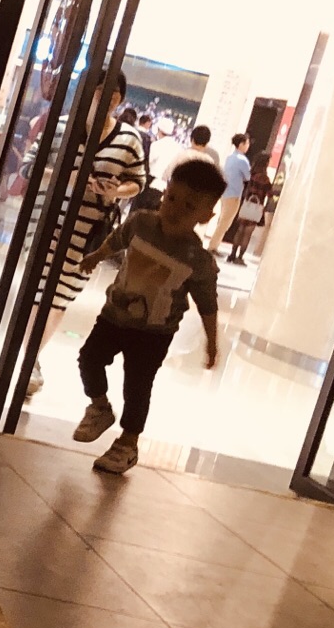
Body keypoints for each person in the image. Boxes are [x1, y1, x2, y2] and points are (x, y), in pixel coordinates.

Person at [70, 155, 224, 475]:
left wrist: (212, 343)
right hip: (114, 315)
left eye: (189, 206)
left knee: (138, 385)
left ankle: (127, 443)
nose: (175, 209)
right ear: (164, 193)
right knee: (89, 358)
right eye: (172, 198)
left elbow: (208, 304)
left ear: (206, 215)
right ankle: (99, 407)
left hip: (154, 333)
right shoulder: (141, 222)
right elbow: (118, 239)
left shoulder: (198, 260)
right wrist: (97, 256)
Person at [26, 69, 147, 398]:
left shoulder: (129, 139)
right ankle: (28, 360)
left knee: (61, 296)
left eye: (114, 94)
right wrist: (64, 177)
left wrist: (115, 190)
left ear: (120, 99)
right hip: (49, 220)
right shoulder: (61, 127)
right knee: (40, 291)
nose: (106, 98)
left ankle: (31, 357)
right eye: (99, 91)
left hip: (88, 232)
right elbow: (29, 166)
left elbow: (138, 181)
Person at [225, 151, 271, 265]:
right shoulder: (265, 179)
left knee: (240, 230)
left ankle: (232, 254)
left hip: (246, 205)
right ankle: (240, 257)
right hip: (256, 208)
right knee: (247, 234)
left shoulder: (251, 175)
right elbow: (269, 194)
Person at [210, 131, 251, 253]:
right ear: (241, 144)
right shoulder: (243, 160)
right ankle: (212, 246)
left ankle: (215, 245)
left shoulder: (230, 158)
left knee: (222, 220)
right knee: (225, 222)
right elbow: (248, 177)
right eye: (247, 143)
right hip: (234, 195)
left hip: (225, 193)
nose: (248, 146)